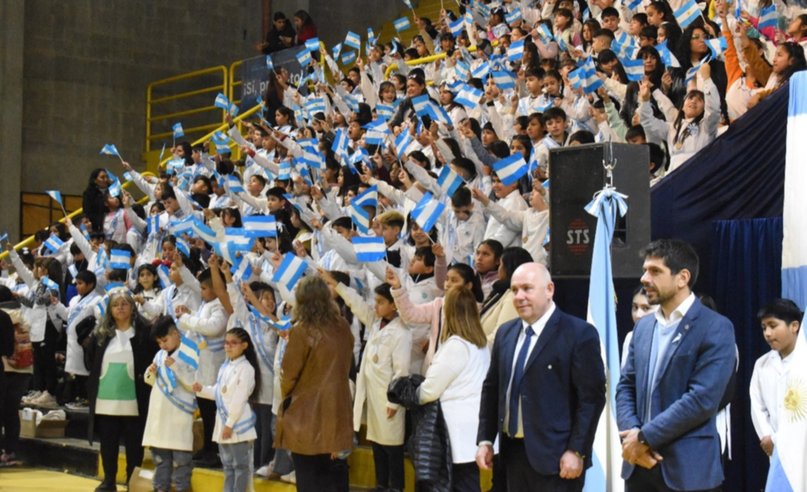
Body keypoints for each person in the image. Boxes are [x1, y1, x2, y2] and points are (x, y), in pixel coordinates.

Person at [616, 239, 736, 492]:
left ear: (682, 277)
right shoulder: (644, 327)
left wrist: (644, 437)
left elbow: (701, 400)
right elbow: (625, 386)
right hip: (638, 465)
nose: (645, 278)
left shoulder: (715, 327)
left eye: (655, 271)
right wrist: (632, 435)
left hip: (688, 472)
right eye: (645, 269)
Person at [477, 262, 606, 491]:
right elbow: (492, 388)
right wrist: (485, 439)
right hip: (510, 455)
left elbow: (591, 400)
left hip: (557, 459)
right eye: (515, 290)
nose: (519, 296)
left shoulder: (578, 334)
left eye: (527, 288)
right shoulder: (505, 333)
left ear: (549, 290)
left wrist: (577, 450)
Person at [274, 276, 354, 492]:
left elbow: (288, 376)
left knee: (310, 478)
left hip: (307, 413)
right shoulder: (343, 326)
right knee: (336, 476)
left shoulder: (301, 330)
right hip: (339, 408)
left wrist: (288, 400)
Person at [418, 287, 491, 491]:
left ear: (448, 312)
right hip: (473, 430)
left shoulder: (456, 346)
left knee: (459, 484)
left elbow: (429, 391)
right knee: (468, 482)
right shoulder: (480, 344)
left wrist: (410, 394)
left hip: (455, 432)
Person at [85, 289, 158, 491]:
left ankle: (131, 481)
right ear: (110, 309)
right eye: (116, 304)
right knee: (108, 443)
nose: (120, 307)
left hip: (135, 399)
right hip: (106, 399)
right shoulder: (101, 334)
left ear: (132, 307)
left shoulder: (144, 333)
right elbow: (90, 360)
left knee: (135, 444)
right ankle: (109, 480)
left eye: (125, 303)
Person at [193, 327, 259, 492]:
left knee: (240, 466)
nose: (228, 347)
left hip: (237, 424)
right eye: (226, 343)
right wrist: (201, 389)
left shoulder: (247, 368)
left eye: (233, 343)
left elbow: (239, 398)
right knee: (228, 466)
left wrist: (229, 425)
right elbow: (219, 392)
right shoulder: (225, 366)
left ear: (244, 345)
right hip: (224, 423)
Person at [143, 316, 197, 492]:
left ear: (176, 334)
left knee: (181, 463)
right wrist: (150, 372)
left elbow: (193, 384)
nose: (162, 345)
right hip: (159, 416)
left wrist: (176, 368)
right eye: (159, 342)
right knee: (160, 462)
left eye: (165, 340)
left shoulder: (190, 352)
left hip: (179, 414)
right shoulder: (160, 355)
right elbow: (151, 381)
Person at [749, 299, 804, 461]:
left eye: (773, 326)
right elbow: (757, 405)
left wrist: (783, 439)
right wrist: (767, 437)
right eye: (764, 328)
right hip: (774, 449)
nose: (767, 333)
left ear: (794, 326)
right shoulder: (761, 364)